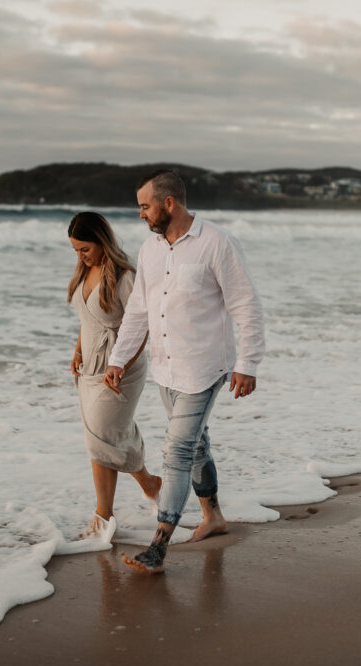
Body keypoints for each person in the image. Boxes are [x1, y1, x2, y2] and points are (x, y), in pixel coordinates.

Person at [104, 169, 265, 574]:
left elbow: (246, 305)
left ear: (168, 203)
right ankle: (214, 516)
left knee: (176, 451)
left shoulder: (217, 243)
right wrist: (118, 359)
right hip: (166, 367)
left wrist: (247, 364)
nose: (141, 214)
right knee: (195, 445)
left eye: (145, 206)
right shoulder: (150, 249)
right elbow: (139, 310)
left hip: (205, 366)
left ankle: (159, 544)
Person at [67, 211, 162, 540]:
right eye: (76, 250)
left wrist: (119, 364)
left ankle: (102, 518)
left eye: (85, 249)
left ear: (101, 240)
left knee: (101, 438)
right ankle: (150, 483)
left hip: (120, 368)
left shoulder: (124, 276)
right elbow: (87, 319)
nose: (81, 256)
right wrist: (78, 349)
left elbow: (142, 326)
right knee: (108, 435)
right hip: (91, 367)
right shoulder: (85, 271)